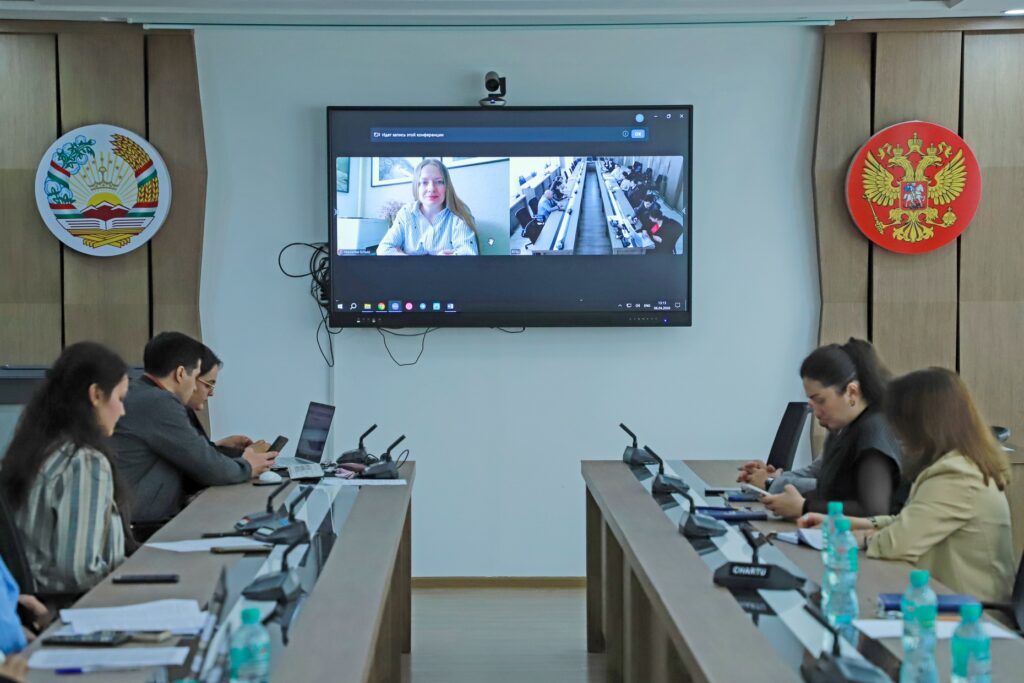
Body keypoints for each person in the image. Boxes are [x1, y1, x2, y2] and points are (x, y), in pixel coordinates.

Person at [799, 368, 1015, 603]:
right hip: (947, 600)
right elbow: (907, 521)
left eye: (899, 420)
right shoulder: (956, 464)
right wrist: (843, 524)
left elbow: (896, 543)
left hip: (971, 613)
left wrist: (860, 538)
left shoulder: (956, 474)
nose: (895, 431)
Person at [0, 342, 130, 594]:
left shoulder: (36, 449)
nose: (123, 411)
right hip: (79, 604)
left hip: (36, 601)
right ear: (96, 394)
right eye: (120, 398)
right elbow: (80, 573)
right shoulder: (84, 462)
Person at [111, 332, 277, 526]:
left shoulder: (141, 391)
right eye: (197, 376)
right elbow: (210, 468)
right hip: (140, 526)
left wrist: (220, 451)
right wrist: (248, 466)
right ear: (181, 374)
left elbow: (188, 454)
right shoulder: (159, 402)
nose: (197, 387)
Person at [741, 339, 902, 519]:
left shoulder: (874, 430)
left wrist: (804, 507)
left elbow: (873, 511)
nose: (815, 411)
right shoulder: (844, 429)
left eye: (820, 400)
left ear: (851, 392)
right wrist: (779, 484)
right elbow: (828, 489)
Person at [376, 158, 479, 255]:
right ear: (417, 186)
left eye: (439, 182)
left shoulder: (459, 214)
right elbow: (384, 248)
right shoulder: (406, 213)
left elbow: (468, 254)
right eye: (424, 182)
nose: (431, 188)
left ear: (447, 186)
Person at [185, 345, 256, 458]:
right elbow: (196, 460)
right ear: (182, 376)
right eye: (208, 385)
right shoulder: (169, 412)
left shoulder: (184, 411)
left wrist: (218, 445)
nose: (211, 393)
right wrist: (247, 459)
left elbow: (191, 452)